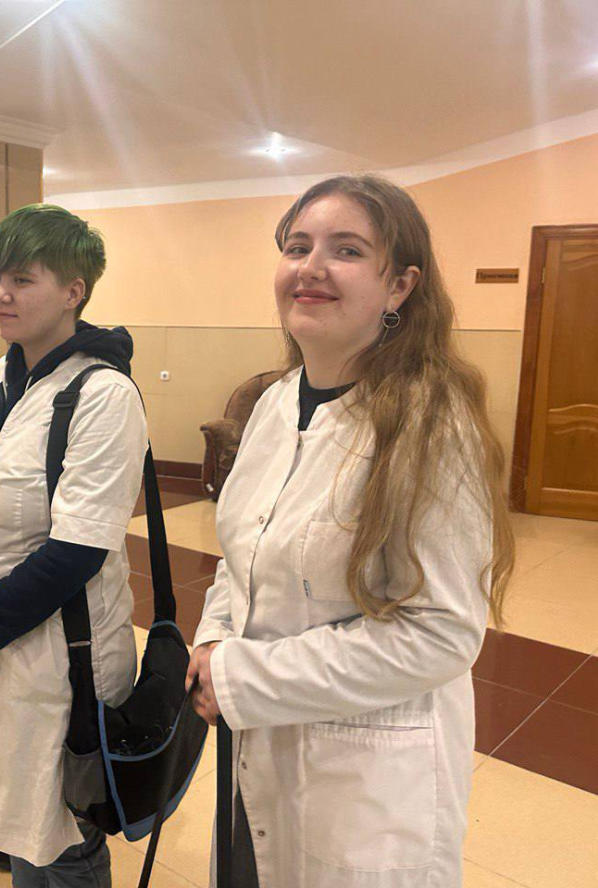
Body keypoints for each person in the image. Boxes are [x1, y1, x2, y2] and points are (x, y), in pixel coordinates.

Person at [185, 175, 515, 888]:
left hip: (361, 783)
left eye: (346, 250)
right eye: (297, 246)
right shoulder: (273, 403)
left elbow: (440, 634)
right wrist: (212, 639)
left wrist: (242, 678)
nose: (310, 267)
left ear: (399, 286)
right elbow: (243, 557)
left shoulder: (431, 424)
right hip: (254, 749)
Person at [0, 204, 148, 886]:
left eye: (22, 279)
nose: (0, 295)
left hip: (64, 653)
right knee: (17, 824)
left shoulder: (102, 393)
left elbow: (78, 550)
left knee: (64, 835)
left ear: (73, 291)